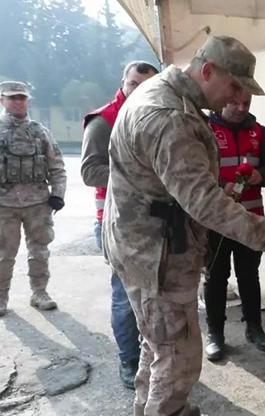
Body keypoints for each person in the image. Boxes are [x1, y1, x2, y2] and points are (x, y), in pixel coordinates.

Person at [103, 36, 265, 416]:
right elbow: (204, 203)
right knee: (178, 357)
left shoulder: (160, 92)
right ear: (207, 71)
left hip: (142, 246)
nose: (236, 98)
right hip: (157, 257)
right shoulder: (170, 116)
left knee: (158, 344)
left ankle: (145, 407)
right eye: (234, 86)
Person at [81, 60, 159, 389]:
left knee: (153, 296)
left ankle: (150, 357)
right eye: (133, 84)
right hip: (116, 223)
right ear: (122, 83)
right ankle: (128, 361)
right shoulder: (104, 121)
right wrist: (136, 179)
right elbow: (89, 172)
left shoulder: (156, 118)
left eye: (147, 86)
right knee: (126, 296)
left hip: (153, 222)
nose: (139, 91)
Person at [203, 89, 265, 359]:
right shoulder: (205, 128)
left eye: (246, 103)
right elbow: (194, 170)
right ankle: (215, 334)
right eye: (234, 101)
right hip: (216, 220)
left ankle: (255, 328)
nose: (240, 107)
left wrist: (262, 175)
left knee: (249, 275)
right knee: (215, 277)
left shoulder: (260, 132)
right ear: (222, 100)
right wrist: (219, 188)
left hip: (250, 217)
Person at [0, 81, 66, 316]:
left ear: (28, 101)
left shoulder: (40, 131)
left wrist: (58, 194)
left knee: (40, 251)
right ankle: (1, 297)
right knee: (3, 255)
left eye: (22, 97)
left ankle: (40, 292)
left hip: (38, 203)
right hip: (4, 205)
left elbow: (57, 165)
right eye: (12, 98)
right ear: (2, 100)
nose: (18, 102)